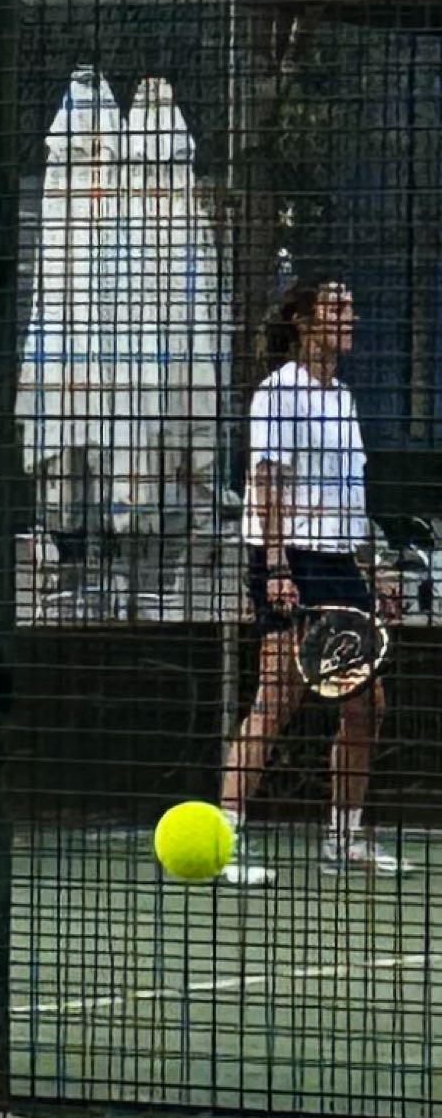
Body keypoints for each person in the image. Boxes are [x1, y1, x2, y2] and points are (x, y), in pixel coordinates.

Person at [217, 277, 397, 882]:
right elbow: (267, 482)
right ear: (304, 321)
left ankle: (343, 841)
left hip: (341, 565)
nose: (349, 318)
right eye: (336, 308)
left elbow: (351, 496)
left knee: (367, 702)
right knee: (277, 698)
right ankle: (224, 841)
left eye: (351, 307)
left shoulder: (343, 398)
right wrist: (275, 567)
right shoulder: (278, 393)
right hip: (290, 558)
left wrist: (375, 568)